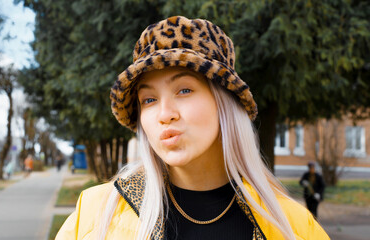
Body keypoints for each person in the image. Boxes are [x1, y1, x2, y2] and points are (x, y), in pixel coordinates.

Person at [56, 16, 329, 240]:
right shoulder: (94, 216)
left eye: (184, 90)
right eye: (148, 100)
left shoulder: (294, 227)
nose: (164, 114)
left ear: (224, 103)